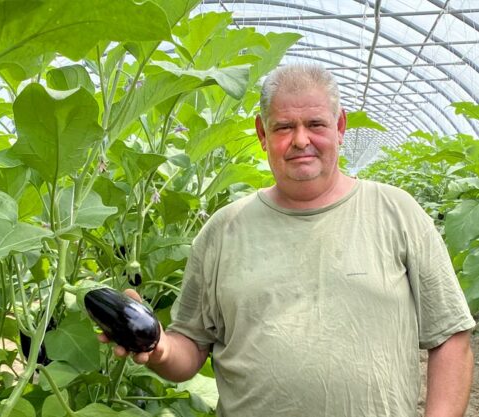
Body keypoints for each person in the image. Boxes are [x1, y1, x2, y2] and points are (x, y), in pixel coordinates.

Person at [99, 63, 476, 416]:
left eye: (315, 124)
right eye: (283, 127)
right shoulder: (223, 229)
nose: (300, 140)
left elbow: (450, 338)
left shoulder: (397, 212)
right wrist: (159, 346)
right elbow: (190, 348)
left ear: (340, 127)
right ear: (262, 134)